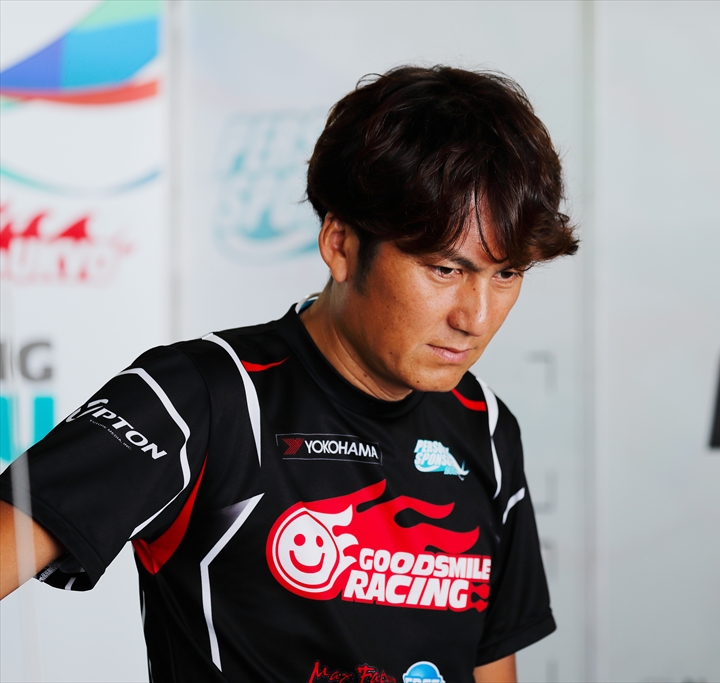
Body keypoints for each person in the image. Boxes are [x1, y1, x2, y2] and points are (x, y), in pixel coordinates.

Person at [0, 65, 578, 683]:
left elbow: (492, 670)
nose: (476, 318)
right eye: (445, 269)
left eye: (507, 274)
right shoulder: (202, 396)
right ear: (341, 245)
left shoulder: (486, 427)